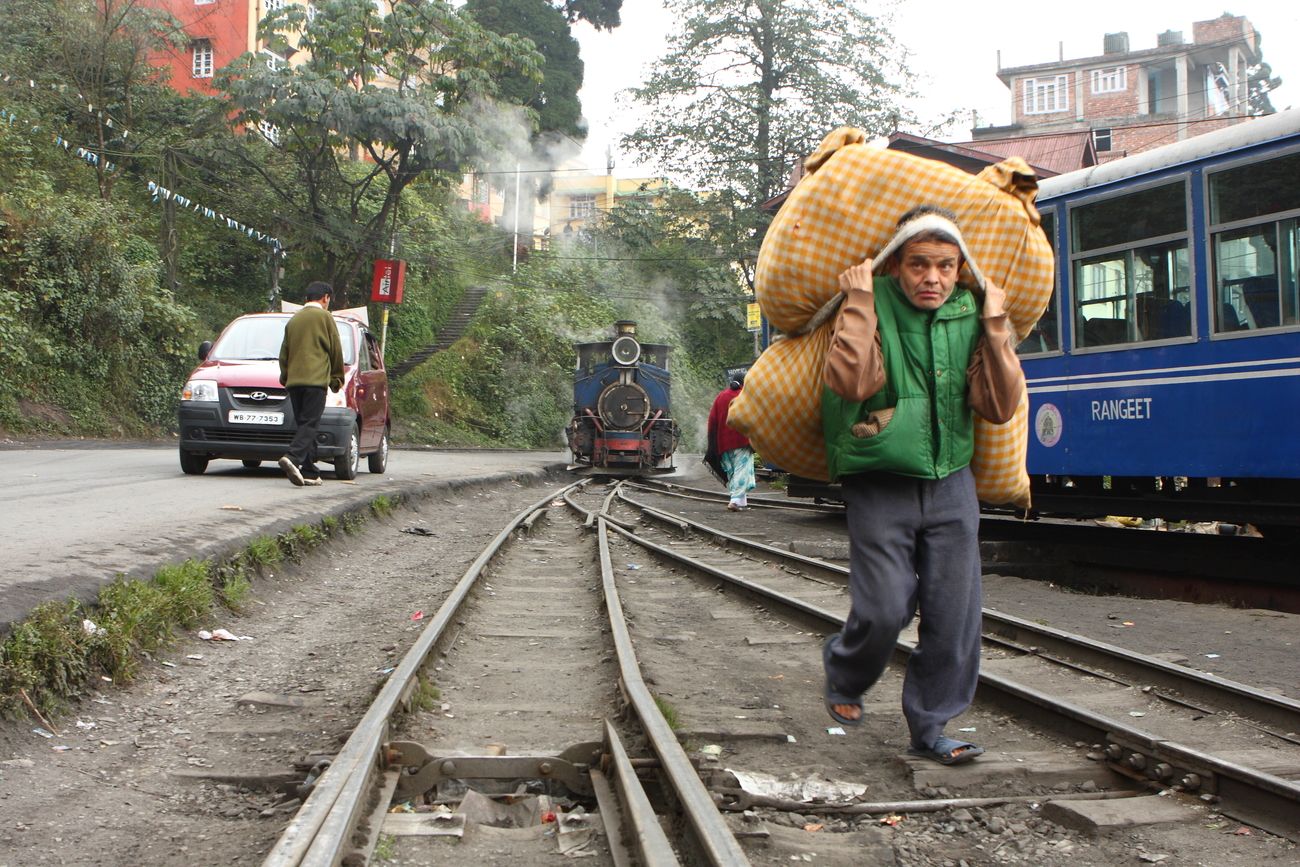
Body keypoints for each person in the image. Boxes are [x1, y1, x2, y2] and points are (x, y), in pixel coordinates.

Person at [819, 205, 1024, 765]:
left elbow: (1000, 406)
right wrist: (860, 302)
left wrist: (997, 325)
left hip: (952, 480)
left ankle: (932, 727)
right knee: (884, 606)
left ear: (960, 270)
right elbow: (852, 381)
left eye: (945, 266)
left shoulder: (971, 311)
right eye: (918, 265)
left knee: (954, 614)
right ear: (896, 266)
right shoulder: (870, 302)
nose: (932, 278)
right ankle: (846, 671)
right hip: (879, 477)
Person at [277, 281, 344, 487]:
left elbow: (284, 353)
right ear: (325, 298)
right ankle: (293, 458)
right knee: (310, 423)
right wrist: (337, 379)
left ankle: (309, 472)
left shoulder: (294, 320)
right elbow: (335, 350)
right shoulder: (326, 317)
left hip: (295, 382)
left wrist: (285, 376)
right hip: (315, 381)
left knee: (304, 425)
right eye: (328, 300)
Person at [705, 378, 756, 511]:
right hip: (742, 440)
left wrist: (712, 442)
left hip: (723, 442)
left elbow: (711, 420)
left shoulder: (721, 396)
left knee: (733, 472)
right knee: (742, 470)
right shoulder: (745, 396)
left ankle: (741, 501)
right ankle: (734, 501)